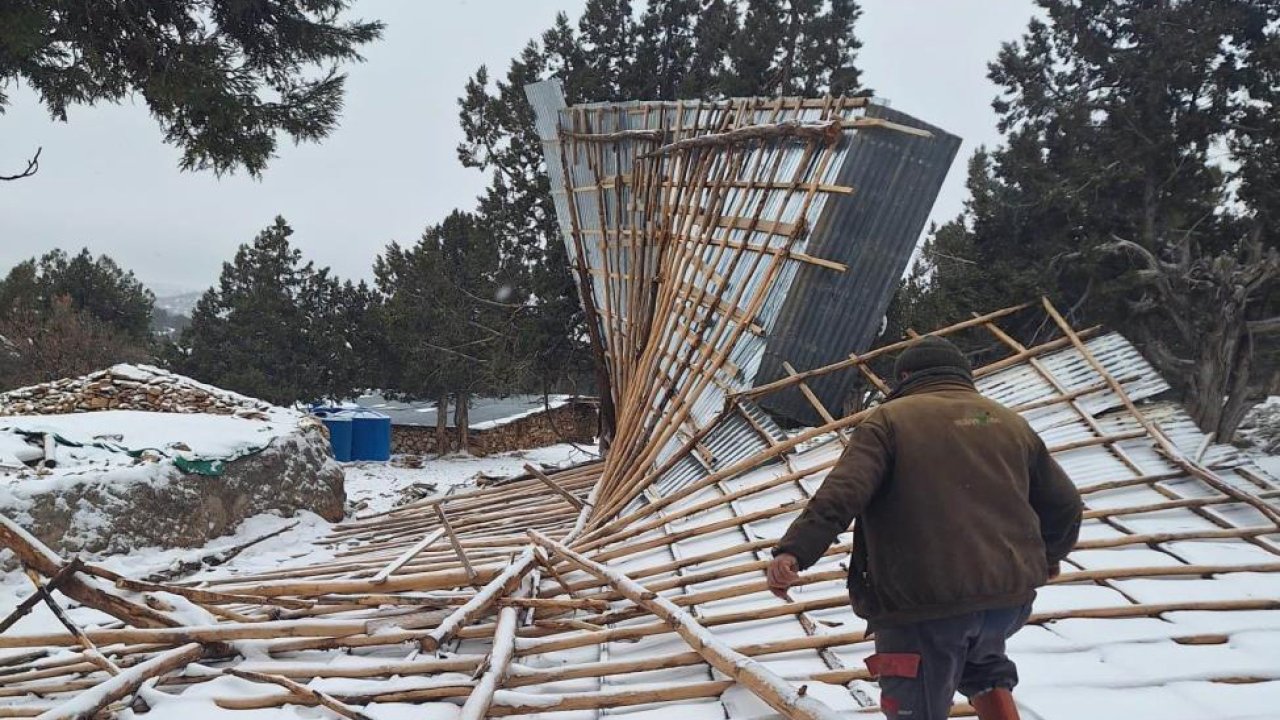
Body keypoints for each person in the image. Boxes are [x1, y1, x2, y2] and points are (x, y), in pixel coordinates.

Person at [767, 335, 1082, 720]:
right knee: (981, 664)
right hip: (1007, 600)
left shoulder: (890, 420)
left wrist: (795, 550)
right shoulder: (1006, 421)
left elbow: (844, 492)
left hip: (924, 602)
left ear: (905, 376)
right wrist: (1048, 558)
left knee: (915, 705)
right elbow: (1065, 504)